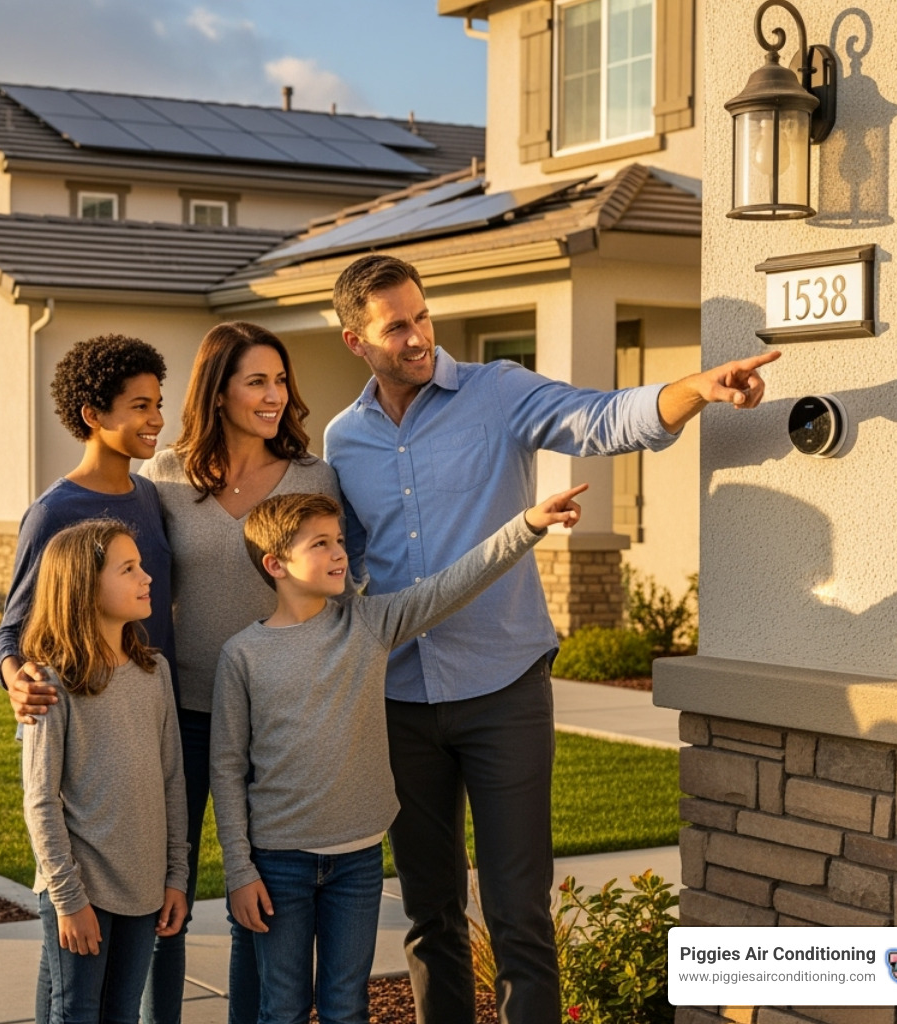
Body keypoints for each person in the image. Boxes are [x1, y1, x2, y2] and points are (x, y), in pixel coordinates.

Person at [321, 254, 778, 1024]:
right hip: (399, 700)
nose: (418, 335)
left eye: (422, 315)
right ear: (355, 341)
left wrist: (695, 390)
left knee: (518, 909)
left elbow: (601, 417)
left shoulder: (497, 392)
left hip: (503, 691)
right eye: (396, 326)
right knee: (430, 913)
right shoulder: (344, 441)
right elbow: (350, 564)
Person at [209, 485, 585, 1024]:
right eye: (320, 544)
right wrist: (239, 871)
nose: (340, 553)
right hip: (278, 863)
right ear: (276, 564)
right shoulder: (242, 655)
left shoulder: (367, 624)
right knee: (283, 1007)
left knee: (346, 1006)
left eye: (339, 540)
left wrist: (526, 525)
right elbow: (226, 769)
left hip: (357, 862)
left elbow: (452, 585)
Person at [136, 321, 340, 1024]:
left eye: (281, 380)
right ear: (217, 391)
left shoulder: (315, 477)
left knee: (260, 900)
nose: (275, 395)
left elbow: (340, 583)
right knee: (166, 896)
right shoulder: (163, 478)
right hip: (184, 715)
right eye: (257, 381)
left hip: (279, 723)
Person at [0, 334, 177, 1023]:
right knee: (73, 980)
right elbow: (11, 628)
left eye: (158, 403)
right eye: (139, 406)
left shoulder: (151, 497)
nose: (156, 419)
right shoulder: (55, 512)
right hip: (79, 720)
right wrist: (15, 677)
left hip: (147, 706)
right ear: (93, 414)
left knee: (125, 958)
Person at [20, 518, 189, 1024]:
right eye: (128, 569)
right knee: (75, 1012)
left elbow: (172, 781)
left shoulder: (154, 672)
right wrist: (68, 899)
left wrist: (176, 876)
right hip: (82, 888)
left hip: (145, 888)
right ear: (85, 586)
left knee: (122, 1014)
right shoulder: (52, 683)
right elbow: (41, 800)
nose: (147, 577)